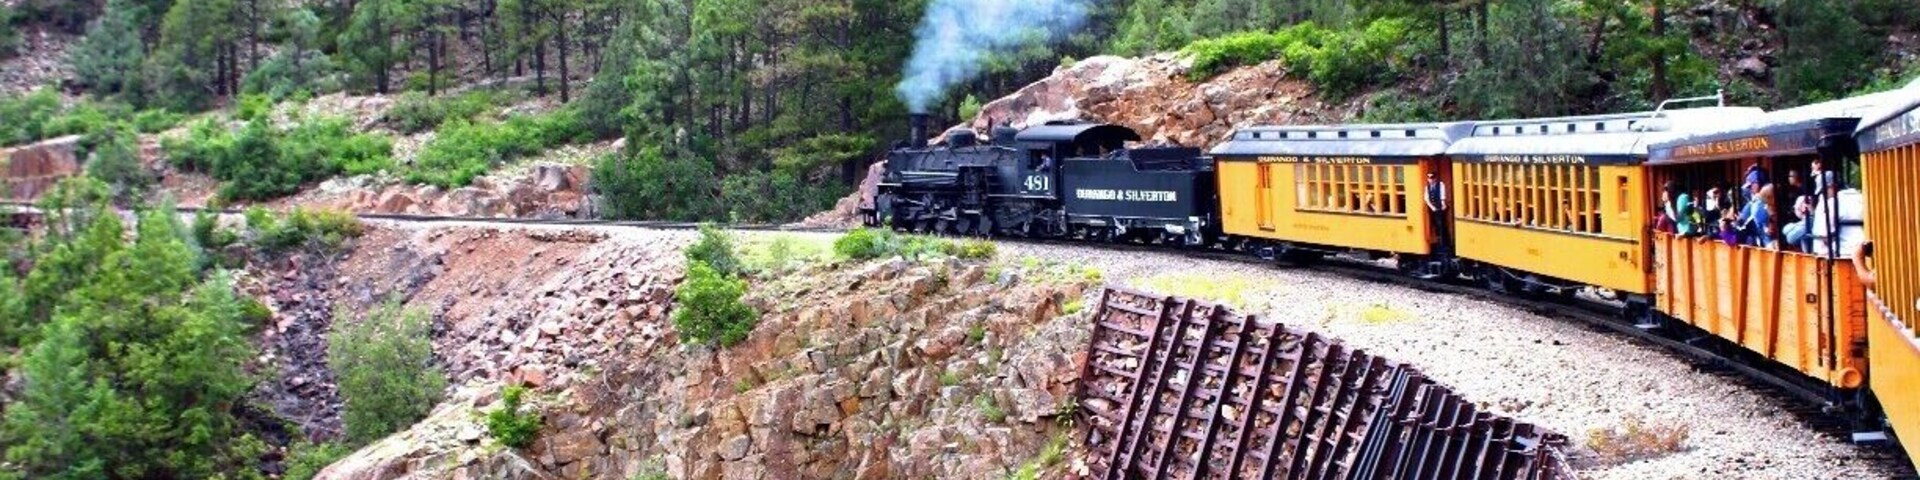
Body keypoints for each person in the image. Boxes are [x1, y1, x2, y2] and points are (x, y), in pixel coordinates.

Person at [1425, 172, 1448, 241]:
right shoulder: (1427, 187)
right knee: (1433, 224)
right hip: (1432, 208)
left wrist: (1443, 204)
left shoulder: (1440, 184)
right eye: (1428, 178)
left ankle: (1443, 240)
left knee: (1441, 224)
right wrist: (1432, 207)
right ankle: (1436, 239)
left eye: (1432, 177)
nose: (1430, 179)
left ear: (1435, 178)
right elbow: (1426, 198)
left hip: (1439, 207)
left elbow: (1442, 194)